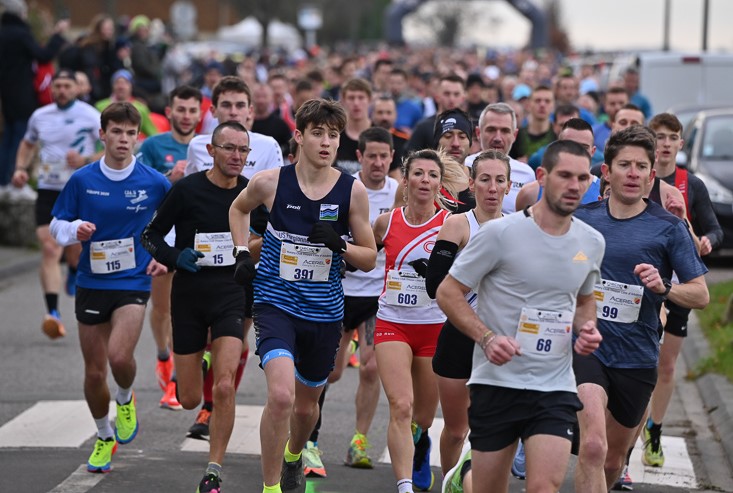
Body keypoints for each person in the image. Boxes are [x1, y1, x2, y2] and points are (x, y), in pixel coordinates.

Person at [436, 139, 605, 493]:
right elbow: (447, 292)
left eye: (582, 177)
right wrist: (486, 337)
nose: (574, 185)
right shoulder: (500, 234)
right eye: (564, 176)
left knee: (544, 486)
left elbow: (585, 298)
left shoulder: (590, 242)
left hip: (554, 384)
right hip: (497, 381)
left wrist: (586, 326)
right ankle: (460, 477)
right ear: (542, 176)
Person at [229, 98, 377, 493]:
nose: (327, 143)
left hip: (325, 312)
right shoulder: (270, 182)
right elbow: (238, 209)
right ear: (299, 136)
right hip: (275, 302)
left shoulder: (352, 191)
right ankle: (271, 486)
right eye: (318, 134)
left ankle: (296, 453)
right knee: (280, 396)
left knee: (306, 405)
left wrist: (340, 246)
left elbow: (369, 258)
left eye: (333, 135)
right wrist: (242, 251)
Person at [572, 126, 709, 493]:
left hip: (637, 355)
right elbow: (559, 269)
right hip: (588, 348)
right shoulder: (582, 220)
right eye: (624, 165)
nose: (632, 173)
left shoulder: (668, 228)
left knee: (614, 459)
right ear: (606, 172)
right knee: (593, 446)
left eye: (641, 167)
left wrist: (665, 287)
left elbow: (701, 295)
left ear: (652, 175)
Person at [48, 102, 170, 473]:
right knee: (94, 372)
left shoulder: (153, 182)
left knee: (119, 358)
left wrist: (162, 256)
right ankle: (103, 435)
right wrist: (75, 230)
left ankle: (126, 397)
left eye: (130, 133)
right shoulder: (83, 180)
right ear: (103, 134)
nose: (123, 139)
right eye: (116, 131)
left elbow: (173, 225)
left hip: (132, 281)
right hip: (91, 280)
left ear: (138, 137)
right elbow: (57, 224)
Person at [142, 121, 250, 493]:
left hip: (231, 295)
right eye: (230, 148)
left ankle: (214, 469)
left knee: (224, 386)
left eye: (243, 150)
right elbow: (149, 235)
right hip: (188, 296)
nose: (237, 157)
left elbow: (266, 235)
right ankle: (196, 363)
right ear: (212, 151)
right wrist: (174, 257)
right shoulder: (187, 190)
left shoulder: (250, 194)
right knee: (189, 398)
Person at [184, 75, 283, 440]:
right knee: (211, 335)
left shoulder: (269, 145)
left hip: (253, 249)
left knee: (236, 336)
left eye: (240, 105)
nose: (234, 111)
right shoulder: (199, 146)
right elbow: (188, 200)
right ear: (213, 111)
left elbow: (276, 199)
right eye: (226, 105)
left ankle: (214, 404)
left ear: (252, 111)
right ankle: (207, 379)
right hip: (209, 254)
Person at [304, 127, 400, 477]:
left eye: (383, 156)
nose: (377, 162)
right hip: (342, 290)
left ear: (392, 158)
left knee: (373, 368)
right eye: (371, 156)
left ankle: (359, 439)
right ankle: (309, 439)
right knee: (331, 371)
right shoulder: (345, 188)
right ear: (360, 157)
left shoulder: (397, 192)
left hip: (378, 295)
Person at [642, 113, 723, 468]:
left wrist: (704, 239)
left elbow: (715, 231)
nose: (663, 143)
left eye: (670, 137)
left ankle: (654, 431)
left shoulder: (692, 185)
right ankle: (630, 429)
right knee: (641, 363)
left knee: (667, 365)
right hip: (640, 285)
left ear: (680, 143)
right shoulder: (637, 178)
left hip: (678, 286)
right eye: (657, 136)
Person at [372, 149, 452, 493]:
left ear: (439, 183)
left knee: (422, 416)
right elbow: (362, 257)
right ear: (405, 180)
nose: (425, 180)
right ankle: (404, 485)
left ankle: (420, 443)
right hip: (393, 322)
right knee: (400, 405)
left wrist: (438, 274)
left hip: (434, 327)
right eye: (418, 173)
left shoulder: (451, 224)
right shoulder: (386, 222)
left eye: (432, 175)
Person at [426, 150, 510, 477]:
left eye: (499, 180)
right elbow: (435, 284)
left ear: (508, 185)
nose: (492, 188)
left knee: (488, 428)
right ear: (472, 184)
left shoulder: (518, 228)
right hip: (459, 338)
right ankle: (451, 481)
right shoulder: (458, 224)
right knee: (457, 430)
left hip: (499, 340)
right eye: (485, 180)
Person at [11, 69, 102, 338]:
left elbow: (106, 146)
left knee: (74, 249)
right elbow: (27, 144)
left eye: (67, 86)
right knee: (50, 249)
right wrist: (19, 168)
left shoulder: (89, 114)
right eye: (58, 86)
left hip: (78, 190)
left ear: (76, 89)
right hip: (48, 189)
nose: (62, 90)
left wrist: (85, 160)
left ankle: (74, 269)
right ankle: (53, 313)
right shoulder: (40, 116)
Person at [136, 85, 203, 410]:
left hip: (194, 239)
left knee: (183, 313)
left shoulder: (207, 146)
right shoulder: (152, 145)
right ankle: (163, 356)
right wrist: (168, 177)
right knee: (161, 310)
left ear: (200, 114)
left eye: (192, 110)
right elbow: (138, 188)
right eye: (181, 109)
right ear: (170, 111)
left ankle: (176, 377)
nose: (186, 116)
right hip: (163, 237)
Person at [0, 4, 68, 189]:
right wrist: (57, 36)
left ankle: (2, 180)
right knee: (20, 137)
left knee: (8, 136)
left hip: (6, 94)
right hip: (22, 93)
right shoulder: (21, 34)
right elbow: (43, 55)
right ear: (21, 14)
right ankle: (11, 180)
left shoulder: (3, 32)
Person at [516, 118, 602, 211]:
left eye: (583, 148)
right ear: (558, 146)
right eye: (570, 146)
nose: (577, 153)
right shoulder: (530, 193)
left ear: (593, 152)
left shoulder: (603, 193)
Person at [464, 103, 535, 214]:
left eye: (505, 131)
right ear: (478, 133)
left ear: (514, 135)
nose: (497, 138)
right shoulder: (464, 167)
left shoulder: (527, 174)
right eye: (491, 130)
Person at [406, 74, 466, 153]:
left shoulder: (469, 126)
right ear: (437, 97)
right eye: (447, 94)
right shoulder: (423, 127)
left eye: (456, 94)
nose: (452, 99)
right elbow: (409, 157)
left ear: (463, 98)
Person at [95, 69, 159, 139]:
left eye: (125, 83)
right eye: (117, 83)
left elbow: (153, 134)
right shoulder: (100, 106)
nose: (121, 87)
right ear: (112, 86)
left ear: (131, 86)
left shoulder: (141, 108)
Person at [335, 78, 373, 174]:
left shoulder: (380, 135)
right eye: (351, 98)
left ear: (370, 100)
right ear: (343, 101)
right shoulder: (334, 134)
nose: (356, 103)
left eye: (361, 98)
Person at [510, 85, 555, 162]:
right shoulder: (516, 136)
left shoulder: (557, 135)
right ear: (529, 104)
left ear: (553, 106)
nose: (542, 105)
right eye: (538, 100)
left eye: (547, 101)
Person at [592, 87, 629, 152]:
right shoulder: (594, 132)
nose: (617, 107)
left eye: (621, 103)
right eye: (612, 104)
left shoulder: (638, 132)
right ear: (605, 106)